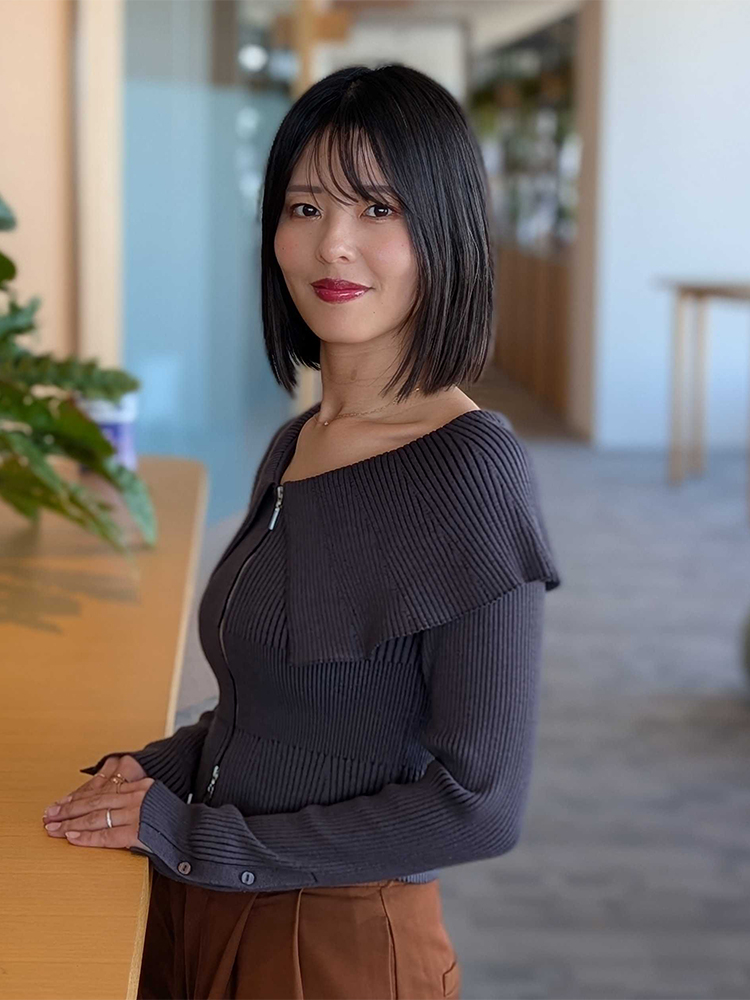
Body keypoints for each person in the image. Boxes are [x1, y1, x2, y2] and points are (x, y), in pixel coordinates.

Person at [42, 62, 562, 999]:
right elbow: (281, 707)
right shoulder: (302, 439)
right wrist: (160, 766)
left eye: (377, 209)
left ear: (444, 230)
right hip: (208, 902)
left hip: (332, 946)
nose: (335, 248)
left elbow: (479, 808)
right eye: (307, 208)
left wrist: (199, 836)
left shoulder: (470, 469)